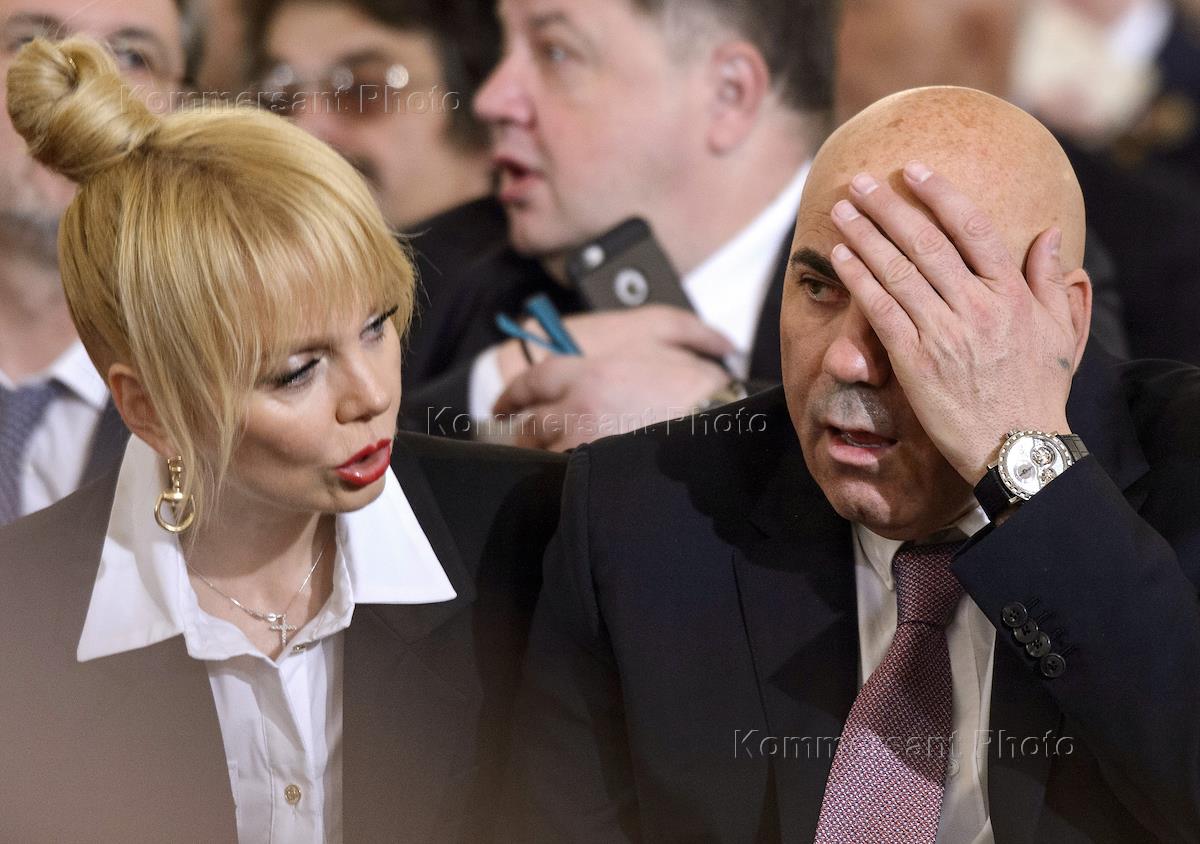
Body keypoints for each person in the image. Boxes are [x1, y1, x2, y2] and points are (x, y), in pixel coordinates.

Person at [506, 86, 1200, 841]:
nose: (846, 358)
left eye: (924, 305)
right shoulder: (635, 521)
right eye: (818, 288)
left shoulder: (1184, 468)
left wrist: (1022, 464)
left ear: (1064, 318)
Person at [0, 35, 563, 842]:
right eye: (297, 372)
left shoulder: (535, 536)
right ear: (150, 409)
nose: (372, 395)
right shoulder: (18, 621)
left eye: (376, 326)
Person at [405, 0, 836, 449]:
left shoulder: (876, 291)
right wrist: (489, 391)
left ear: (730, 94)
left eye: (555, 52)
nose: (490, 101)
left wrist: (714, 414)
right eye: (503, 48)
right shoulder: (427, 275)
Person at [835, 0, 1200, 365]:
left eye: (861, 8)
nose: (833, 29)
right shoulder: (824, 176)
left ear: (978, 35)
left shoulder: (1157, 237)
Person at [0, 0, 197, 526]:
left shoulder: (240, 387)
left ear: (183, 109)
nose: (82, 91)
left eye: (132, 56)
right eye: (30, 44)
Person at [248, 0, 507, 393]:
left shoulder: (510, 307)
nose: (304, 130)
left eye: (363, 89)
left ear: (482, 107)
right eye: (280, 95)